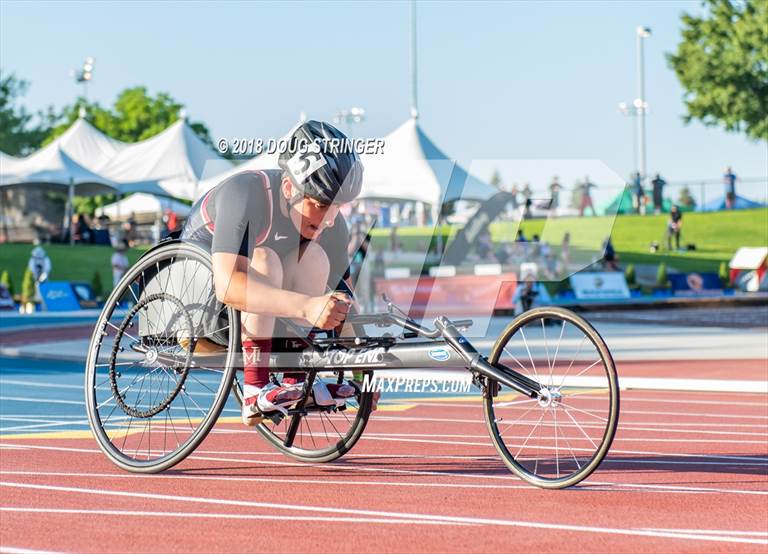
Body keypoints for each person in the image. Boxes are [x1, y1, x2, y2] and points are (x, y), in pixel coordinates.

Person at [181, 120, 370, 426]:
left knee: (315, 259)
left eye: (338, 206)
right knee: (266, 259)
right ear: (288, 188)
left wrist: (365, 376)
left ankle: (294, 380)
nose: (330, 219)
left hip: (267, 312)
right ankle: (255, 387)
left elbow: (348, 308)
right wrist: (307, 306)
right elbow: (228, 287)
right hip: (203, 305)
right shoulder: (246, 193)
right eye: (321, 204)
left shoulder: (331, 225)